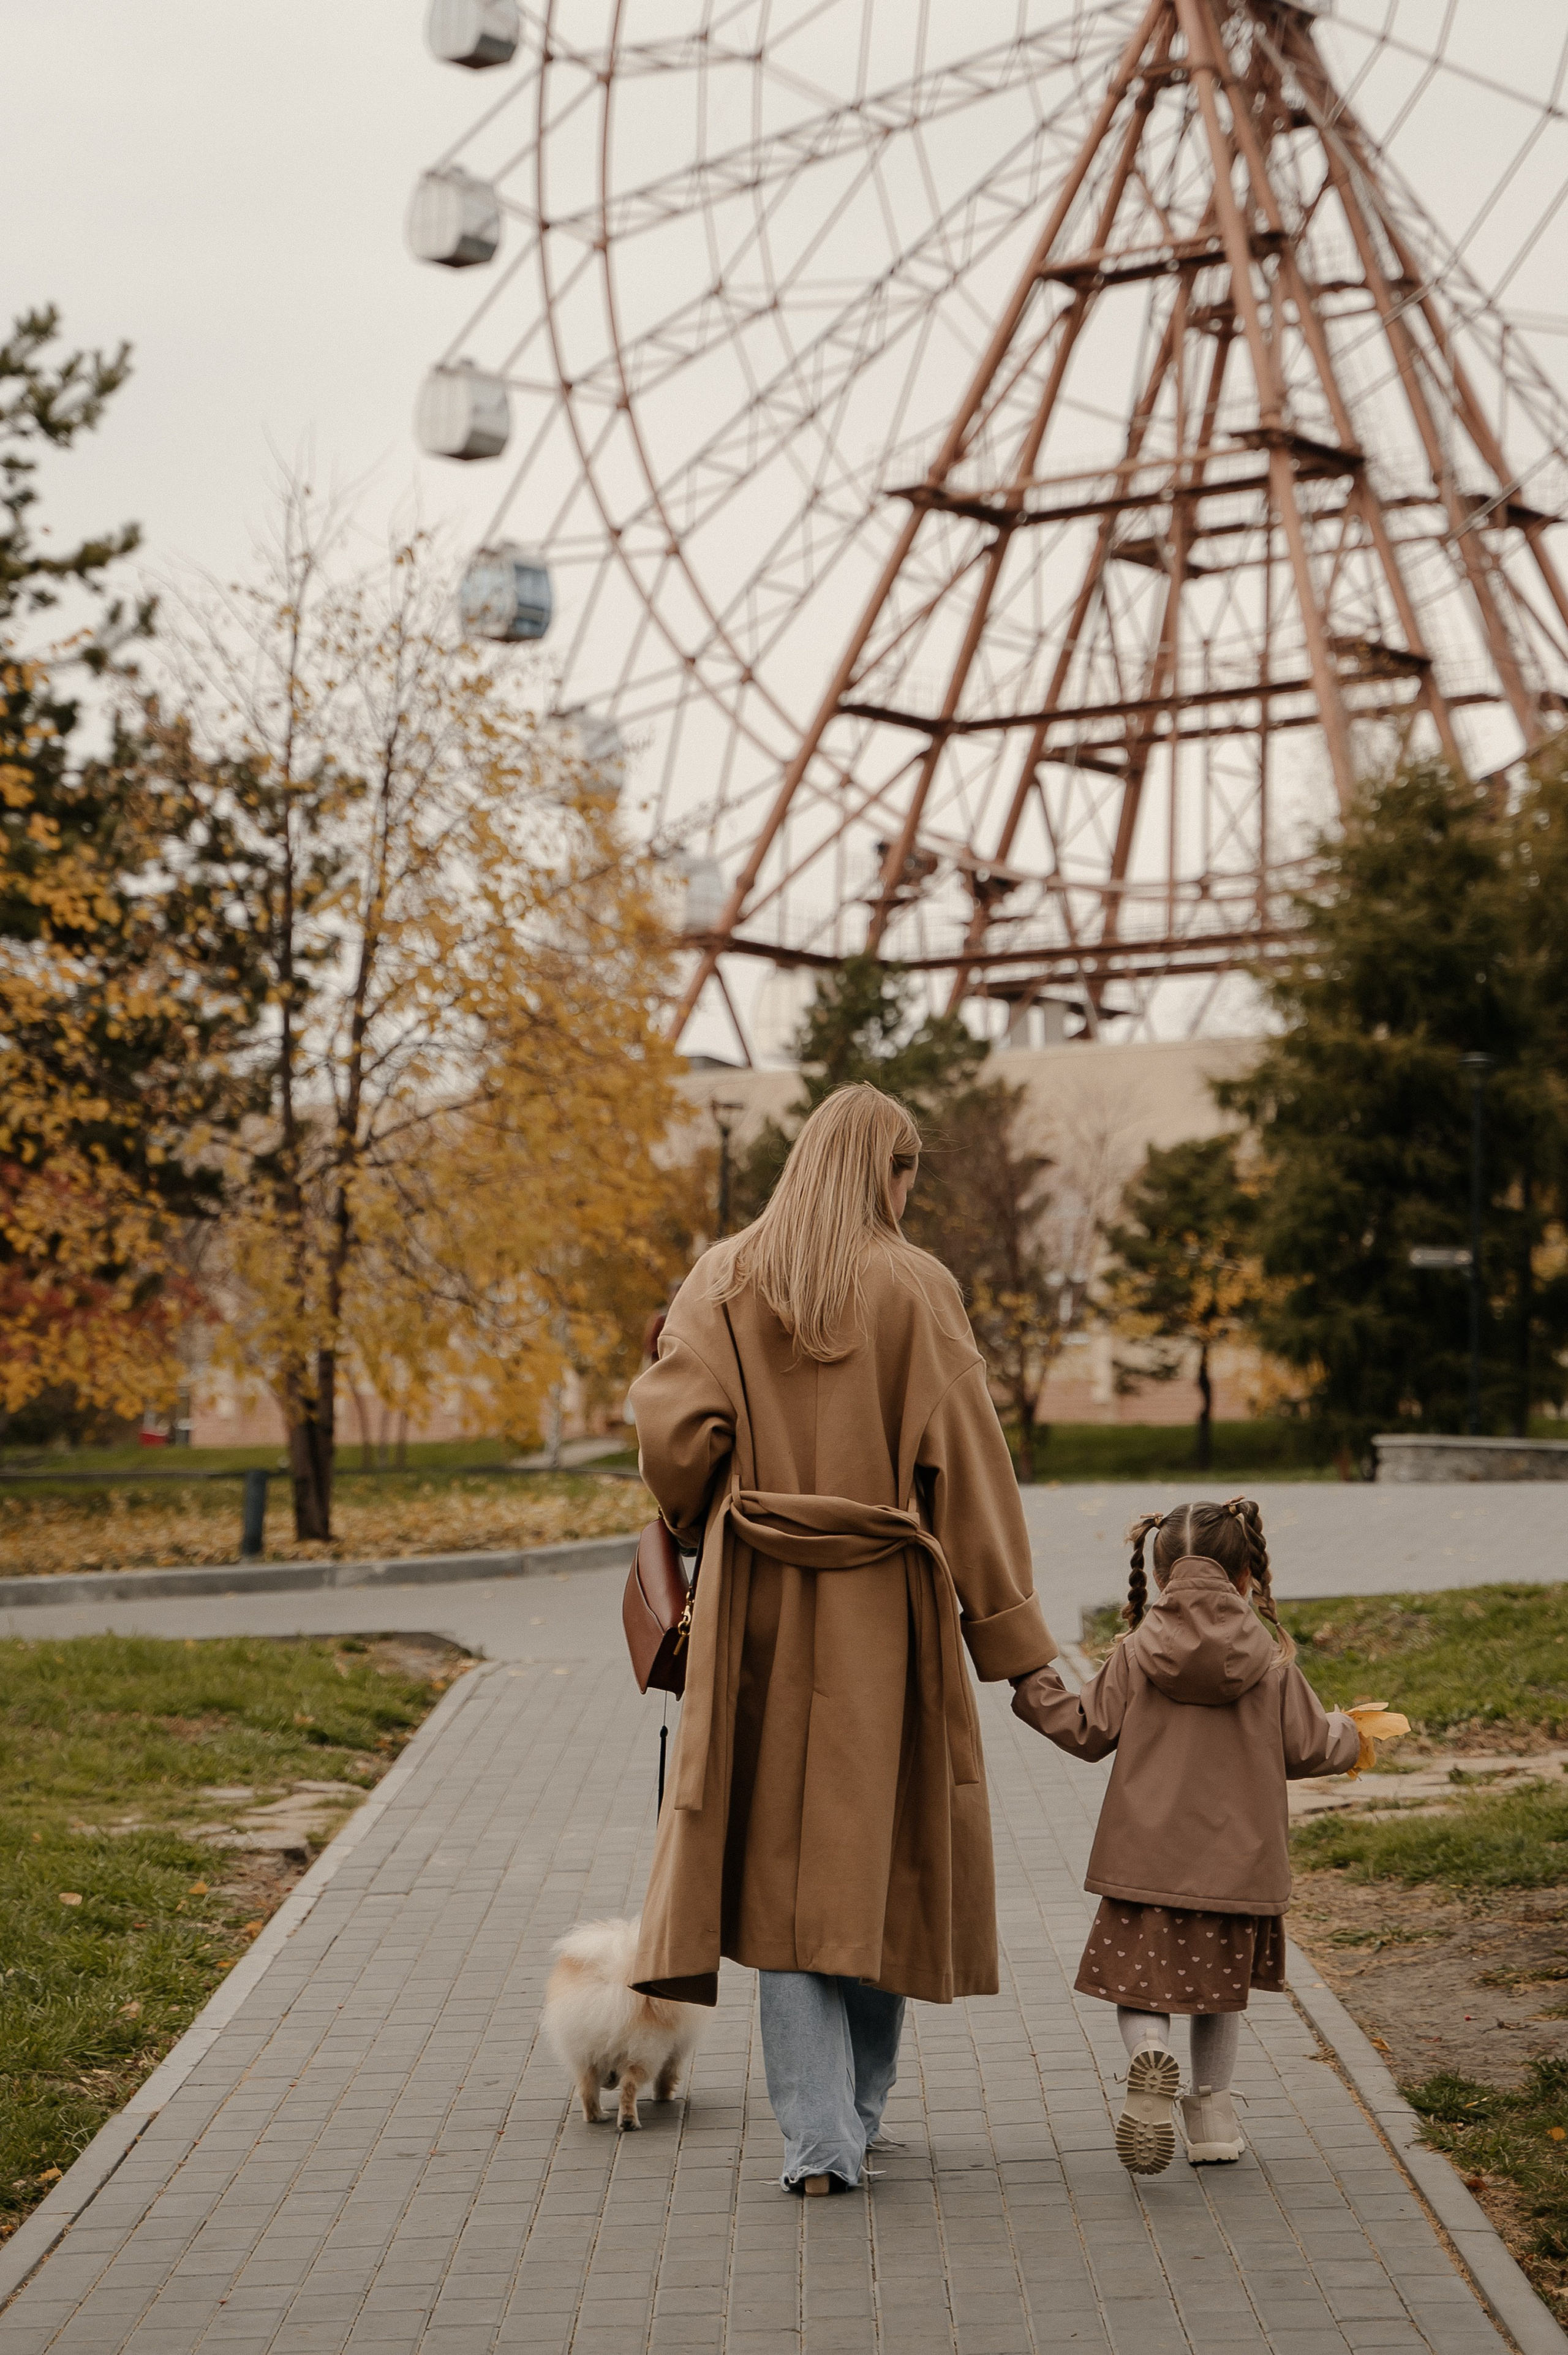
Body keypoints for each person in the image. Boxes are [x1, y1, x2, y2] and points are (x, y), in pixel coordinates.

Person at [627, 1081, 1056, 2196]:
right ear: (889, 1169)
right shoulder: (918, 1286)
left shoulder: (723, 1274)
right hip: (883, 1605)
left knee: (778, 1876)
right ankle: (850, 2116)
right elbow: (968, 1465)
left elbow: (672, 1440)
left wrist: (702, 1508)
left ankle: (820, 2142)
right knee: (879, 1859)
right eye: (909, 1170)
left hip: (755, 1602)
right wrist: (1012, 1641)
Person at [1011, 1497, 1393, 2175]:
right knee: (1215, 1992)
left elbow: (1083, 1730)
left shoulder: (1135, 1654)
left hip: (1144, 1857)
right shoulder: (1271, 1660)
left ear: (1159, 1576)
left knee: (1140, 1987)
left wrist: (1031, 1677)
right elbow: (1308, 1747)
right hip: (1236, 1865)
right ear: (1245, 1574)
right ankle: (1212, 2118)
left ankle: (1144, 2060)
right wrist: (1351, 1730)